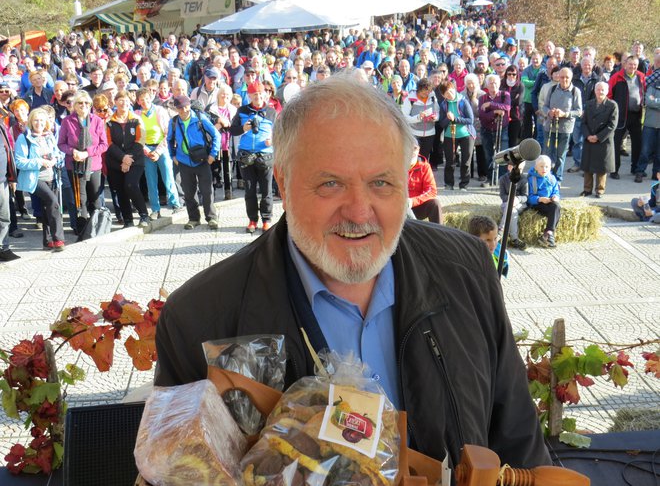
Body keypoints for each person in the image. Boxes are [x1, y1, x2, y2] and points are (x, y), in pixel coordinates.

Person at [154, 75, 551, 470]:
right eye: (330, 184)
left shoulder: (466, 268)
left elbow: (519, 443)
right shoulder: (198, 321)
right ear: (283, 182)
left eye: (381, 183)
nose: (360, 212)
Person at [57, 90, 108, 236]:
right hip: (74, 166)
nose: (83, 105)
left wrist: (87, 153)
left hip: (94, 165)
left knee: (96, 200)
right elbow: (61, 144)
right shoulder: (67, 121)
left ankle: (98, 230)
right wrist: (73, 152)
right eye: (80, 103)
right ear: (74, 105)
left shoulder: (97, 121)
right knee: (81, 201)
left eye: (86, 103)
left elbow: (104, 145)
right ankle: (85, 232)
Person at [14, 107, 65, 251]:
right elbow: (19, 161)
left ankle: (47, 241)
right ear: (31, 121)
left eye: (42, 120)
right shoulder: (24, 138)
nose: (39, 123)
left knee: (46, 207)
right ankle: (58, 239)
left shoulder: (49, 136)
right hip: (35, 179)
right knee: (54, 203)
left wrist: (56, 158)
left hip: (52, 177)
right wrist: (40, 162)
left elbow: (58, 154)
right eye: (36, 120)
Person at [167, 94, 221, 231]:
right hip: (184, 161)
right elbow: (169, 140)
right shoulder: (173, 122)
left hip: (202, 160)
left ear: (189, 105)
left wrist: (213, 154)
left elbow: (216, 135)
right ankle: (194, 218)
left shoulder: (200, 118)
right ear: (176, 109)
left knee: (207, 191)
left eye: (186, 107)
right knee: (189, 192)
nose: (184, 110)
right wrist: (173, 156)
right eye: (180, 108)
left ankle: (211, 218)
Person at [230, 81, 277, 233]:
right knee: (249, 191)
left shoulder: (271, 111)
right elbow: (232, 130)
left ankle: (266, 219)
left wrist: (273, 139)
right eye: (254, 94)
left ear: (265, 94)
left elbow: (279, 131)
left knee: (266, 190)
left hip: (265, 154)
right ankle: (252, 220)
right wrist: (243, 128)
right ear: (249, 96)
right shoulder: (243, 110)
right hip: (246, 155)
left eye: (260, 93)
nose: (258, 96)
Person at [134, 87, 182, 220]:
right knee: (151, 180)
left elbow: (167, 134)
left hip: (161, 148)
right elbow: (137, 137)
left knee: (168, 177)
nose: (145, 102)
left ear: (151, 98)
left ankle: (175, 204)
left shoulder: (160, 111)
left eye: (147, 99)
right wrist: (147, 151)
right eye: (142, 100)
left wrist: (158, 151)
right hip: (146, 150)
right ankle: (155, 209)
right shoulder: (137, 114)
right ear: (138, 101)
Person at [105, 90, 150, 228]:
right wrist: (122, 157)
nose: (123, 103)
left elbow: (140, 140)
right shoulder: (109, 122)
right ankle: (128, 220)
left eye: (126, 100)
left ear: (130, 102)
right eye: (120, 100)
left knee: (130, 185)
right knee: (120, 190)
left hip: (135, 160)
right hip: (115, 161)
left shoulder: (136, 120)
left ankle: (144, 215)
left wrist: (128, 159)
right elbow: (108, 143)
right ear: (115, 102)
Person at [542, 68, 582, 182]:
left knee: (560, 155)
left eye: (567, 77)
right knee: (548, 154)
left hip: (565, 129)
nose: (564, 79)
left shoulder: (575, 91)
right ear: (558, 77)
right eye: (562, 77)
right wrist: (549, 112)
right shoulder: (552, 89)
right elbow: (544, 106)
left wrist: (565, 114)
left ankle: (557, 179)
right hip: (550, 127)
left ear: (571, 78)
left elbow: (579, 111)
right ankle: (546, 178)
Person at [608, 56, 645, 180]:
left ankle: (635, 168)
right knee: (616, 142)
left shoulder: (641, 76)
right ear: (625, 64)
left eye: (635, 65)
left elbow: (645, 92)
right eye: (630, 64)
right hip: (620, 115)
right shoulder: (616, 77)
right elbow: (609, 95)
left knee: (637, 143)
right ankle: (614, 170)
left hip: (636, 115)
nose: (632, 67)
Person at [580, 82, 618, 198]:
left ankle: (600, 190)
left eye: (602, 90)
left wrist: (598, 137)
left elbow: (612, 125)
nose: (600, 92)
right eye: (598, 89)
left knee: (602, 167)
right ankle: (587, 190)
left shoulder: (612, 105)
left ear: (607, 91)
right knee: (588, 166)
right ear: (595, 91)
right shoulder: (589, 104)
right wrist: (588, 136)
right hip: (589, 139)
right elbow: (583, 122)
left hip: (603, 141)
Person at [437, 79, 475, 191]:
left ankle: (464, 184)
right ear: (443, 95)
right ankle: (449, 184)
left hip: (466, 134)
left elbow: (470, 120)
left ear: (454, 89)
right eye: (446, 93)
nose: (449, 94)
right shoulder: (444, 104)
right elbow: (442, 123)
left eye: (451, 91)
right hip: (450, 135)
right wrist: (448, 119)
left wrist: (455, 119)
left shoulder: (463, 101)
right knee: (450, 161)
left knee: (466, 161)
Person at [527, 155, 561, 248]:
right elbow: (529, 197)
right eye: (541, 166)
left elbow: (556, 192)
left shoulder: (552, 178)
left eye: (547, 167)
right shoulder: (531, 179)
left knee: (557, 206)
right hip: (537, 203)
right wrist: (540, 199)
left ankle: (548, 232)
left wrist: (555, 197)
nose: (544, 169)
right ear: (536, 167)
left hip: (549, 202)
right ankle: (548, 236)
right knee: (556, 211)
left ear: (550, 167)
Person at [401, 78, 439, 158]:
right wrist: (418, 117)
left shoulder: (432, 97)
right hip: (414, 134)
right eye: (424, 91)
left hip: (430, 133)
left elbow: (438, 113)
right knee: (414, 158)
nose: (426, 93)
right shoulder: (410, 99)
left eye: (428, 91)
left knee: (424, 158)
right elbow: (404, 117)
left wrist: (435, 118)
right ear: (418, 89)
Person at [407, 144, 442, 224]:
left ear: (418, 151)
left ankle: (439, 234)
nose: (411, 156)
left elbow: (431, 191)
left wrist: (413, 201)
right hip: (400, 205)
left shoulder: (424, 166)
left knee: (435, 204)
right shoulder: (396, 165)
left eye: (413, 154)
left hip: (417, 204)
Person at [0, 122, 20, 261]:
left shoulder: (0, 124)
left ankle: (4, 248)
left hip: (2, 178)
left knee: (4, 215)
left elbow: (7, 150)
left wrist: (11, 176)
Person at [634, 76, 659, 183]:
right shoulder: (653, 86)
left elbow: (653, 101)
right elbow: (648, 101)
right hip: (650, 124)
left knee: (659, 153)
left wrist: (656, 101)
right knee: (645, 151)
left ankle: (656, 173)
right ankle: (640, 171)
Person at [498, 162, 528, 250]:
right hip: (507, 203)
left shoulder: (524, 179)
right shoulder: (503, 179)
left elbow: (526, 196)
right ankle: (514, 238)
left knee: (512, 209)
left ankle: (500, 232)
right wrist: (511, 199)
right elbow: (502, 196)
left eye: (521, 169)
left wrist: (517, 199)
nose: (518, 171)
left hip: (520, 204)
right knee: (512, 210)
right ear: (509, 167)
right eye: (516, 168)